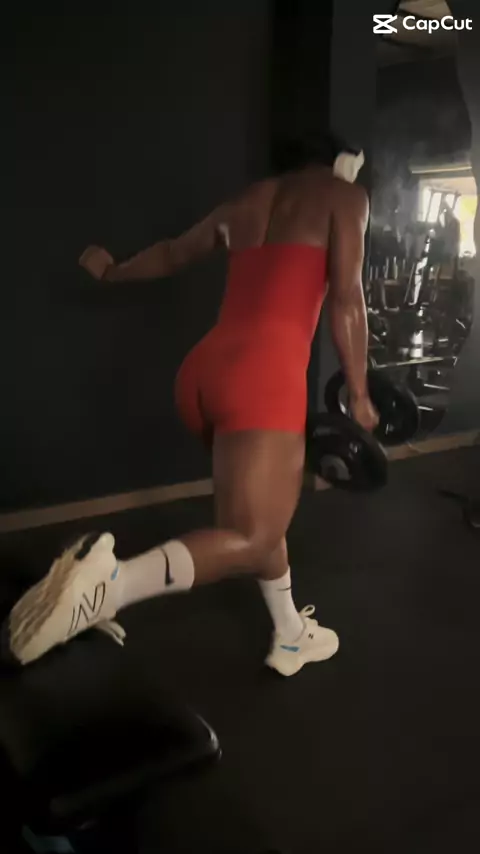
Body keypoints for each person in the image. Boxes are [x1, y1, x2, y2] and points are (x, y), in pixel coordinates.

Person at [5, 134, 378, 675]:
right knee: (252, 535)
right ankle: (112, 587)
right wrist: (360, 395)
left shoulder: (247, 201)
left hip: (205, 372)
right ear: (345, 164)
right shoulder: (345, 196)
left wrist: (112, 271)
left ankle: (291, 634)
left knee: (261, 514)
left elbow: (172, 252)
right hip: (264, 376)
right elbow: (347, 299)